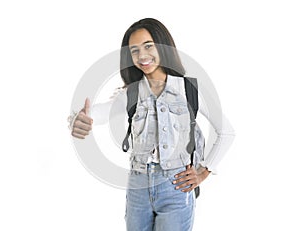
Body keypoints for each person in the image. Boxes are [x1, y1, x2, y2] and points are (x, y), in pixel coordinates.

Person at [69, 18, 235, 231]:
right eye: (135, 51)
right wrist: (80, 118)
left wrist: (203, 172)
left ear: (162, 46)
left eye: (148, 46)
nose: (142, 56)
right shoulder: (131, 93)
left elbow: (227, 132)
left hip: (176, 185)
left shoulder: (190, 89)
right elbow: (99, 113)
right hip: (138, 185)